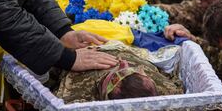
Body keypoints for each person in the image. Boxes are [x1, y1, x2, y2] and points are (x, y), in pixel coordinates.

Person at [55, 42, 183, 103]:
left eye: (117, 73)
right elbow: (176, 82)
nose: (122, 62)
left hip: (79, 46)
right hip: (127, 44)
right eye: (137, 70)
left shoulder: (71, 94)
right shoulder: (166, 89)